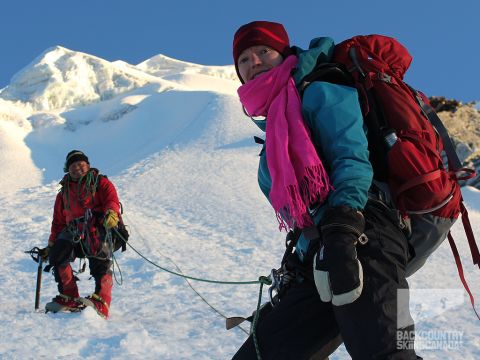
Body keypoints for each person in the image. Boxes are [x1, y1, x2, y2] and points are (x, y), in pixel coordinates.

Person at [231, 21, 420, 359]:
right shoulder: (276, 126)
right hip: (317, 256)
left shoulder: (322, 89)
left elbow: (353, 159)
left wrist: (342, 227)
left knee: (390, 354)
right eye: (244, 59)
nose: (254, 62)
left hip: (368, 235)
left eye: (263, 51)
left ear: (285, 53)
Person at [41, 150, 121, 319]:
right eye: (73, 166)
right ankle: (69, 296)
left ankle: (102, 300)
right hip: (74, 230)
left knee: (96, 245)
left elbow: (111, 200)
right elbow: (58, 223)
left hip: (100, 227)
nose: (77, 168)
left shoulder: (101, 182)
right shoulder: (63, 194)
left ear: (88, 165)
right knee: (58, 254)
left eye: (81, 164)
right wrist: (51, 244)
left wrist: (112, 213)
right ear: (67, 169)